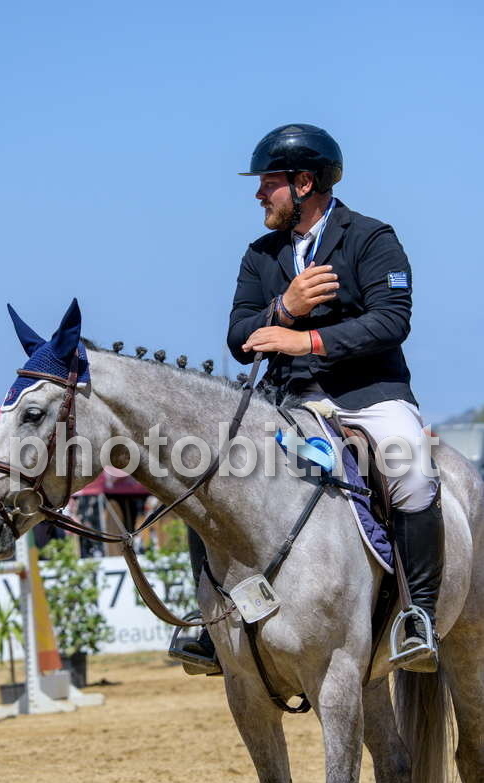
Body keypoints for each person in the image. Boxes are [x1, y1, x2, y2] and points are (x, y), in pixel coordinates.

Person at [179, 123, 443, 675]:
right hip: (284, 400)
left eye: (268, 182)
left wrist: (308, 340)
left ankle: (418, 614)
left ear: (304, 183)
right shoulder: (261, 255)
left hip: (367, 394)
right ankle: (212, 625)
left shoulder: (371, 238)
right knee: (205, 473)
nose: (258, 193)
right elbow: (239, 339)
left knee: (412, 469)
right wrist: (285, 308)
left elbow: (392, 321)